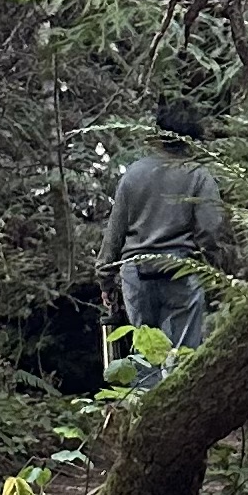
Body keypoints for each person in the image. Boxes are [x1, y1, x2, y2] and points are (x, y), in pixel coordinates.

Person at [98, 97, 225, 378]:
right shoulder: (198, 175)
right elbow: (210, 229)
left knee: (146, 358)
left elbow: (114, 232)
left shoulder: (134, 174)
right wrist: (213, 269)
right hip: (181, 271)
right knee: (183, 358)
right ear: (192, 137)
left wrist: (106, 279)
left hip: (136, 275)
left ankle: (147, 403)